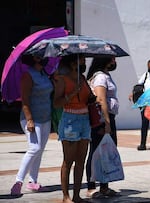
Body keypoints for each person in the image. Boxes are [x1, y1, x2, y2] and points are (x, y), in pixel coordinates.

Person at [10, 55, 53, 196]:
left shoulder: (44, 73)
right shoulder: (28, 75)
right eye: (40, 55)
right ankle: (18, 182)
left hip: (45, 117)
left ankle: (33, 181)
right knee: (34, 148)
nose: (44, 57)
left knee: (40, 150)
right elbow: (25, 99)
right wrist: (29, 119)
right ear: (33, 59)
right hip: (32, 118)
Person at [53, 54, 91, 203]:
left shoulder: (82, 78)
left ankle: (76, 195)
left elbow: (87, 97)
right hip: (69, 119)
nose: (84, 62)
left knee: (81, 160)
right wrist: (72, 94)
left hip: (85, 119)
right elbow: (56, 103)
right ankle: (65, 196)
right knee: (68, 161)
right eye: (82, 59)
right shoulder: (63, 80)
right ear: (72, 62)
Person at [85, 56, 120, 197]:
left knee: (106, 152)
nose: (114, 62)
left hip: (109, 117)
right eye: (112, 59)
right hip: (102, 118)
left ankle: (104, 186)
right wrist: (106, 122)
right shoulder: (100, 77)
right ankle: (91, 186)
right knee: (95, 152)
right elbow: (101, 100)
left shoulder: (106, 75)